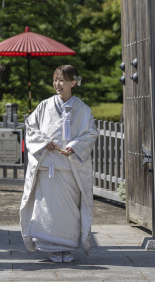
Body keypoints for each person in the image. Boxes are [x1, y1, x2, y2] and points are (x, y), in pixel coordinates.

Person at [20, 65, 99, 263]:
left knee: (69, 211)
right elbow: (30, 128)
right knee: (47, 211)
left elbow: (91, 133)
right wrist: (45, 142)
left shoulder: (83, 109)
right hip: (48, 169)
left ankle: (68, 247)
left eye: (62, 80)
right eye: (55, 79)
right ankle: (52, 248)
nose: (57, 84)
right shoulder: (44, 106)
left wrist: (75, 146)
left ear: (73, 83)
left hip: (69, 170)